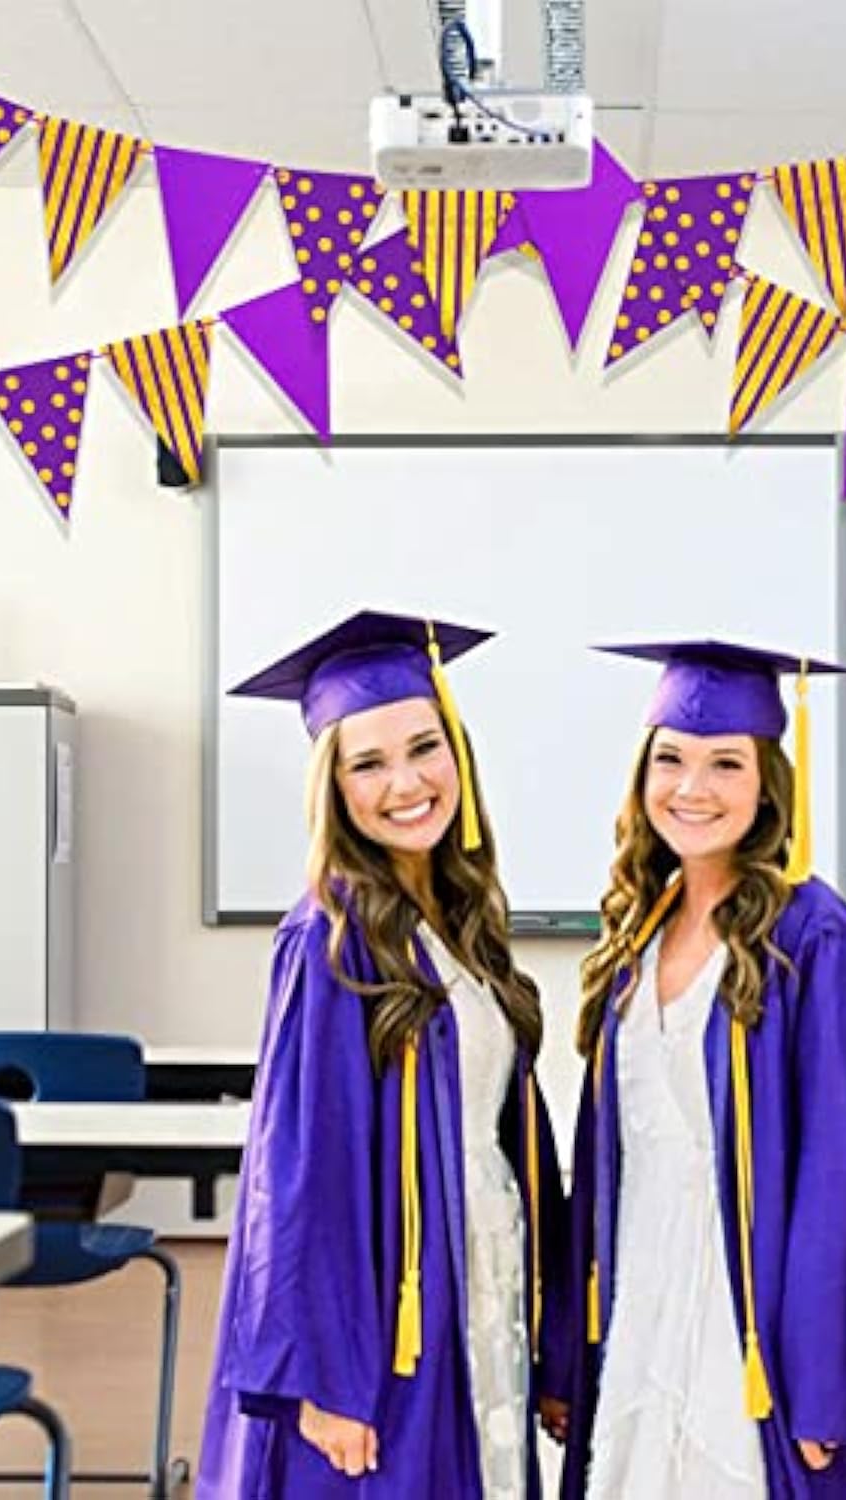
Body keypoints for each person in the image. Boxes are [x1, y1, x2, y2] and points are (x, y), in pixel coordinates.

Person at [562, 640, 846, 1499]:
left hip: (756, 1312)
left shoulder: (813, 938)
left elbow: (845, 1172)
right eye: (670, 760)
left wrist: (826, 1380)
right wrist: (574, 1351)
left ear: (767, 785)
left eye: (726, 763)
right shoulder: (638, 932)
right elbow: (610, 1160)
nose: (693, 787)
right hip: (644, 1290)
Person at [199, 610, 568, 1500]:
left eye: (424, 747)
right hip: (385, 1308)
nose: (406, 782)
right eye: (368, 763)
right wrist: (322, 1378)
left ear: (459, 755)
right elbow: (297, 1172)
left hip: (480, 1273)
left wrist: (554, 1332)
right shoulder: (327, 941)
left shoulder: (460, 922)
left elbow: (511, 1138)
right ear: (334, 788)